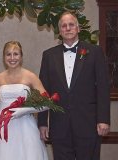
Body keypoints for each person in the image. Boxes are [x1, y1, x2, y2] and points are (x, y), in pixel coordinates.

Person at [38, 11, 110, 160]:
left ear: (78, 29)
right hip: (59, 126)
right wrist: (43, 122)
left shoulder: (95, 52)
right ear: (59, 31)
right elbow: (43, 92)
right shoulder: (49, 56)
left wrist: (103, 119)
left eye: (71, 25)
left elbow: (103, 88)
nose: (68, 28)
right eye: (64, 26)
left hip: (88, 125)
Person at [0, 41, 48, 160]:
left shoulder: (30, 76)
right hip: (4, 128)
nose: (12, 58)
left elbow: (48, 103)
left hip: (26, 127)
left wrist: (25, 111)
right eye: (8, 54)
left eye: (16, 54)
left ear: (21, 56)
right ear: (3, 57)